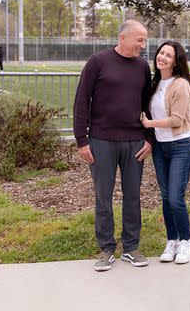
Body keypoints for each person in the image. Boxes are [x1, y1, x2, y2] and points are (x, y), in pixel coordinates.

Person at [73, 20, 154, 272]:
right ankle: (107, 249)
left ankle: (131, 247)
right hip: (101, 141)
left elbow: (147, 105)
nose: (143, 45)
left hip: (134, 143)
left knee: (133, 196)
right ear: (123, 38)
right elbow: (81, 100)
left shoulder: (142, 67)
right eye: (139, 40)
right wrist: (82, 140)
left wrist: (149, 139)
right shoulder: (98, 62)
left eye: (144, 40)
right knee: (103, 198)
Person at [141, 41, 190, 264]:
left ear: (176, 61)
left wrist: (149, 124)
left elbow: (176, 120)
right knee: (165, 197)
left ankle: (185, 242)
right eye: (161, 53)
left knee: (175, 198)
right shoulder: (156, 83)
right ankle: (171, 240)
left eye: (168, 55)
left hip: (180, 147)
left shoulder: (180, 85)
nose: (162, 57)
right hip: (161, 148)